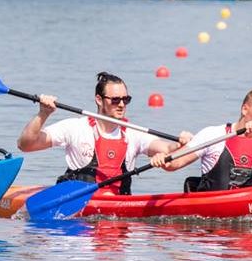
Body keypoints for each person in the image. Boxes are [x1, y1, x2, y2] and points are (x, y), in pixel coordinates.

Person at [17, 72, 192, 196]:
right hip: (80, 225)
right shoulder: (75, 128)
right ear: (99, 100)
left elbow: (166, 147)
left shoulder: (134, 134)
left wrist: (180, 143)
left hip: (118, 218)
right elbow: (26, 145)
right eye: (115, 100)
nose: (122, 104)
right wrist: (43, 114)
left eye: (126, 99)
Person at [151, 90, 252, 192]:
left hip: (251, 205)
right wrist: (163, 161)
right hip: (212, 213)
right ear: (244, 109)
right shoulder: (213, 134)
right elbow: (176, 163)